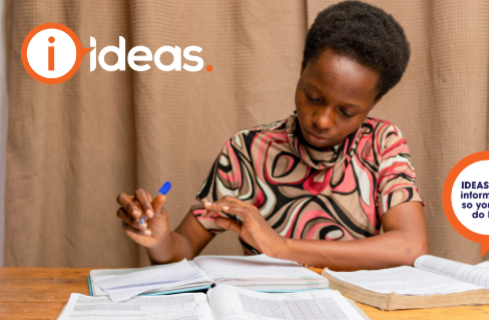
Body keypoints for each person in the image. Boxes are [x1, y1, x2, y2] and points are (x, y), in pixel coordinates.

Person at [116, 0, 428, 271]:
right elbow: (181, 248)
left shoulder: (381, 143)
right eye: (313, 97)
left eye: (346, 112)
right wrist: (158, 241)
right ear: (302, 69)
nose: (321, 120)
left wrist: (280, 247)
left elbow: (410, 247)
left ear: (374, 103)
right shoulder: (247, 150)